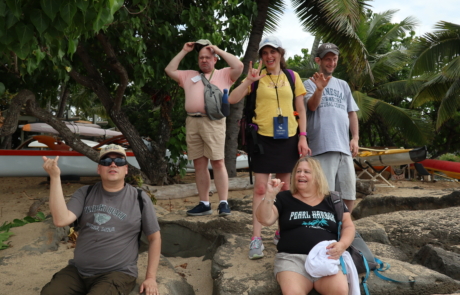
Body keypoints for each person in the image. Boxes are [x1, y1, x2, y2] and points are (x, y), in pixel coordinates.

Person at [228, 36, 311, 259]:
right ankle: (256, 238)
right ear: (262, 57)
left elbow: (301, 110)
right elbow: (231, 99)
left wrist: (303, 137)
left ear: (280, 54)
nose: (269, 56)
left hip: (289, 138)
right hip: (262, 139)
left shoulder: (292, 77)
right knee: (261, 189)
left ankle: (281, 232)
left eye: (273, 51)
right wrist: (247, 81)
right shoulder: (256, 78)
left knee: (285, 190)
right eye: (265, 52)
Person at [41, 144, 161, 295]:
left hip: (117, 273)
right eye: (106, 162)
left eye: (119, 161)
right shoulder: (85, 193)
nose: (112, 164)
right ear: (99, 169)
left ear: (126, 169)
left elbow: (154, 238)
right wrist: (55, 177)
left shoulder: (139, 198)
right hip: (78, 271)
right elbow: (60, 220)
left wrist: (150, 277)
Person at [165, 39, 243, 217]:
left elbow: (238, 65)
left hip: (213, 122)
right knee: (199, 164)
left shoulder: (225, 74)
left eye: (208, 57)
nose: (204, 60)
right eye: (201, 57)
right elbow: (169, 70)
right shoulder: (189, 75)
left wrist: (217, 49)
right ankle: (204, 203)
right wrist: (184, 50)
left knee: (218, 161)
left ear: (215, 59)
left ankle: (223, 202)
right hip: (192, 122)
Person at [256, 156, 355, 294]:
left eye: (307, 172)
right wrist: (270, 195)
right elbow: (264, 219)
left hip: (326, 257)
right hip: (292, 259)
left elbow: (348, 226)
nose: (301, 174)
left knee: (340, 290)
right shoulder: (284, 198)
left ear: (317, 176)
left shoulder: (333, 200)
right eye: (298, 171)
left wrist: (342, 245)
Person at [303, 42, 360, 212]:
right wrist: (319, 89)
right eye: (328, 59)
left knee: (349, 193)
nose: (332, 63)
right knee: (322, 193)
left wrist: (355, 137)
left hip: (344, 148)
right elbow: (311, 107)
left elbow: (352, 112)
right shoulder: (308, 84)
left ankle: (345, 227)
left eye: (334, 59)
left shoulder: (343, 85)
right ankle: (324, 229)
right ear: (318, 60)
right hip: (321, 147)